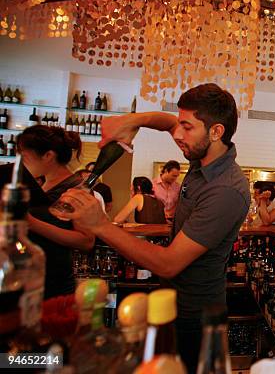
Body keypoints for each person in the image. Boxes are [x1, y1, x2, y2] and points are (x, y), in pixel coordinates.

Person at [55, 83, 250, 374]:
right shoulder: (203, 153)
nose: (177, 134)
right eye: (180, 125)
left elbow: (168, 263)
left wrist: (100, 224)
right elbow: (167, 122)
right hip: (172, 300)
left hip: (195, 314)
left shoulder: (226, 189)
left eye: (187, 127)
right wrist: (133, 120)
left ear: (216, 131)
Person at [16, 125, 95, 298]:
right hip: (29, 276)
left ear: (48, 156)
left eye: (24, 156)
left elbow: (86, 240)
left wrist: (32, 223)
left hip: (54, 282)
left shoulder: (76, 189)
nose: (20, 162)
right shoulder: (40, 184)